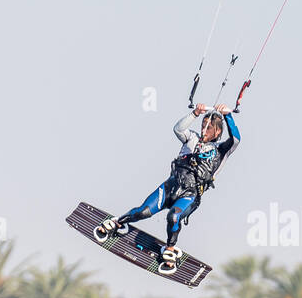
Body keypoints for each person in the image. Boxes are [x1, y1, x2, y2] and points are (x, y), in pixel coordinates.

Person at [98, 103, 241, 273]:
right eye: (203, 125)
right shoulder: (191, 138)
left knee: (174, 217)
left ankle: (170, 249)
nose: (204, 129)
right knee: (142, 212)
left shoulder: (221, 150)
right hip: (170, 187)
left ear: (217, 132)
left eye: (209, 127)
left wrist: (228, 116)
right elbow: (178, 129)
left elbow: (236, 139)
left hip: (190, 195)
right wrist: (195, 113)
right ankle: (118, 223)